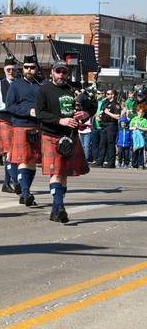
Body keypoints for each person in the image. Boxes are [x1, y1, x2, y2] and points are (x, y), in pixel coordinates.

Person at [35, 60, 95, 223]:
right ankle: (60, 207)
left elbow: (93, 105)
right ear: (52, 72)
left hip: (70, 136)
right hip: (52, 134)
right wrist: (60, 120)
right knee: (56, 172)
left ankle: (56, 210)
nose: (61, 74)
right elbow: (40, 113)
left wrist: (86, 114)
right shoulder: (44, 89)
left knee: (64, 174)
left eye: (64, 72)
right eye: (58, 71)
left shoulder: (74, 89)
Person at [5, 55, 42, 207]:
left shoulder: (42, 84)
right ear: (23, 68)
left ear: (36, 69)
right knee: (22, 160)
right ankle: (25, 193)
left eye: (32, 67)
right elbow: (10, 106)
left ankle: (24, 190)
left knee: (31, 161)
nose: (29, 70)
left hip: (37, 127)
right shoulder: (16, 84)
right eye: (26, 67)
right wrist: (29, 111)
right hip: (20, 125)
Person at [94, 88, 119, 168]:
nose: (106, 95)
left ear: (113, 95)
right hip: (104, 125)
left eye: (108, 94)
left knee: (111, 144)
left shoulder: (116, 104)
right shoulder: (105, 103)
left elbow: (117, 116)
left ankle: (111, 163)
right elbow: (101, 112)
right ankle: (99, 162)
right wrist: (99, 117)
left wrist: (108, 113)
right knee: (102, 144)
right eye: (106, 94)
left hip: (111, 125)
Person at [130, 104, 147, 169]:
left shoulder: (144, 120)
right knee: (134, 150)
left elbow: (146, 128)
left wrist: (139, 128)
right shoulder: (134, 119)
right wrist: (134, 128)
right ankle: (134, 164)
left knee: (141, 150)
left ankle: (141, 164)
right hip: (134, 136)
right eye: (139, 112)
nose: (141, 113)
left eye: (142, 112)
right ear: (137, 112)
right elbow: (130, 127)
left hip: (141, 136)